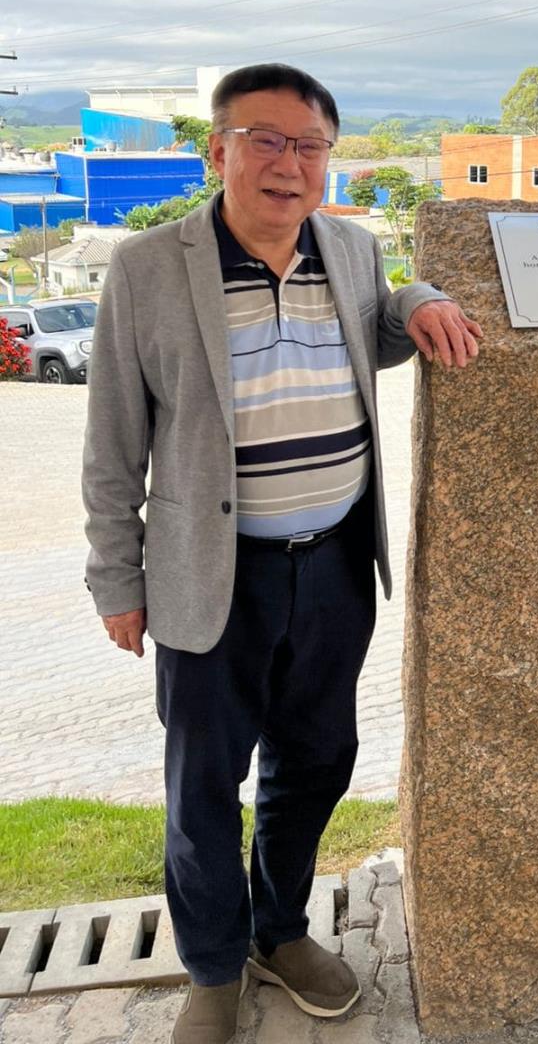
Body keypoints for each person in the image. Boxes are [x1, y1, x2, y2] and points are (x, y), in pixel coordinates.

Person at [83, 63, 482, 1044]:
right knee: (202, 784)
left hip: (336, 565)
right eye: (265, 139)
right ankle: (214, 966)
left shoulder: (347, 248)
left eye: (309, 146)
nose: (287, 163)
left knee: (315, 761)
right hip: (211, 574)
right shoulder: (148, 268)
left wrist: (420, 295)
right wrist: (115, 580)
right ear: (218, 149)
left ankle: (280, 928)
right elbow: (109, 445)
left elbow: (381, 317)